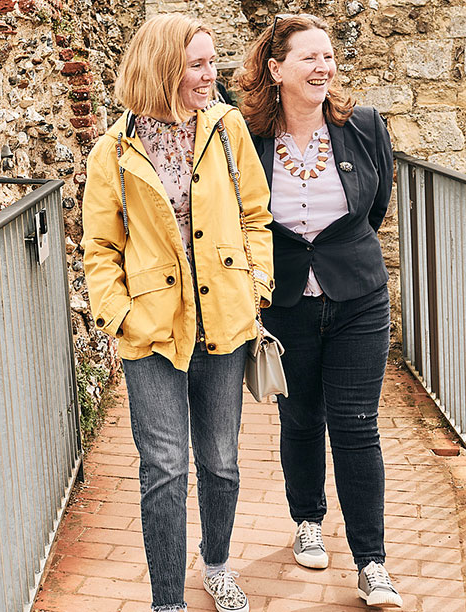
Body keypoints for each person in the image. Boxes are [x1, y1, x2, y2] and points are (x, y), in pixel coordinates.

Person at [81, 13, 274, 612]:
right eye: (197, 64)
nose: (211, 75)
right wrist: (121, 316)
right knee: (164, 468)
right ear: (164, 68)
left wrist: (257, 286)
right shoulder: (113, 151)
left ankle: (217, 566)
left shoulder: (227, 128)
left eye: (212, 62)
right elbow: (100, 249)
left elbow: (255, 215)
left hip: (223, 319)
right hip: (153, 331)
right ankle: (168, 600)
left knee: (220, 461)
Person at [237, 14, 402, 609]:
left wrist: (338, 254)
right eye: (308, 57)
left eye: (328, 56)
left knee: (356, 425)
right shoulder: (246, 136)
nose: (323, 67)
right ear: (276, 69)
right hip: (284, 303)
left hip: (358, 299)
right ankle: (307, 521)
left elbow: (375, 204)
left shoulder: (364, 125)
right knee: (302, 418)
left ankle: (371, 562)